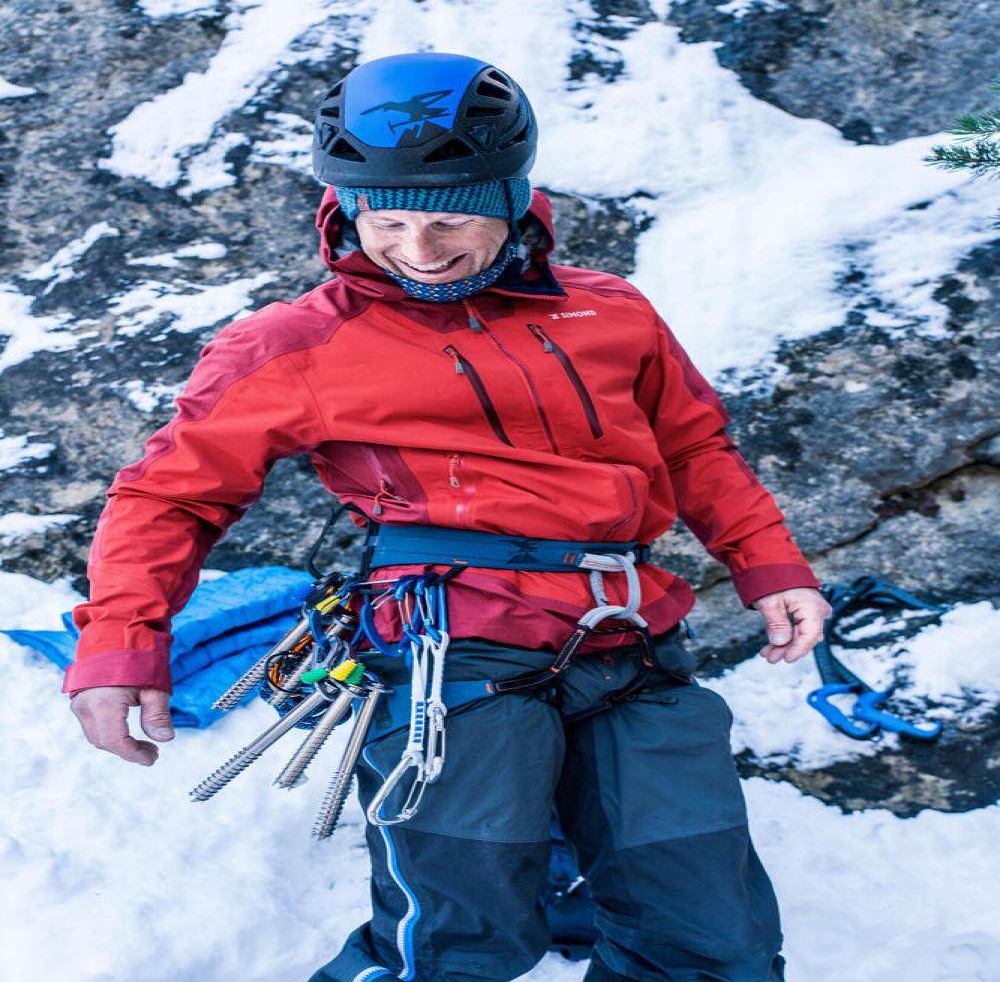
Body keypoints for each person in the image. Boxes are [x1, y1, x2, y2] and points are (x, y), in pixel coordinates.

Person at [66, 52, 831, 981]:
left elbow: (694, 449)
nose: (418, 252)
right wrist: (119, 645)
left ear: (511, 197)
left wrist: (771, 566)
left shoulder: (612, 311)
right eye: (386, 220)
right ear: (346, 207)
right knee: (456, 943)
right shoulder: (293, 344)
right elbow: (168, 494)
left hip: (628, 639)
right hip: (448, 652)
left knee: (714, 942)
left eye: (449, 217)